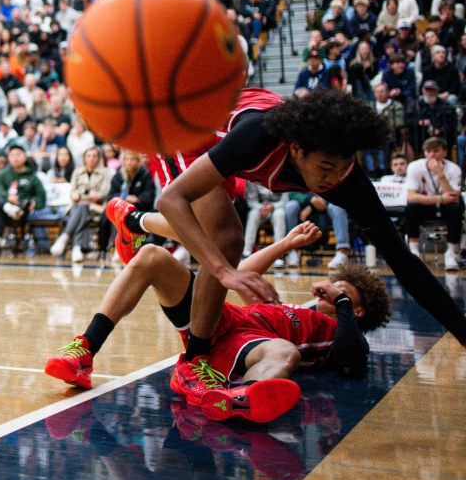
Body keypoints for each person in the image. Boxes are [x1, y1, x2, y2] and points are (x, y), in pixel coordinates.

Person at [117, 88, 466, 414]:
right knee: (226, 241)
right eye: (327, 168)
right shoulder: (258, 137)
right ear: (297, 149)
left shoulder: (345, 176)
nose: (335, 177)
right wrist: (225, 271)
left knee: (223, 238)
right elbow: (171, 198)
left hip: (228, 140)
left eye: (345, 166)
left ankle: (134, 223)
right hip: (189, 128)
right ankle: (193, 363)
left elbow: (404, 262)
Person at [46, 221, 390, 422]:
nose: (329, 288)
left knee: (285, 351)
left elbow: (353, 358)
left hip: (245, 346)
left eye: (341, 289)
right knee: (152, 255)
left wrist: (341, 300)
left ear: (355, 310)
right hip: (218, 320)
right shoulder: (294, 310)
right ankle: (85, 350)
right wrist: (285, 243)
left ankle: (240, 397)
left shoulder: (337, 332)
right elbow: (241, 276)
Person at [404, 136, 462, 271]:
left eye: (436, 151)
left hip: (446, 207)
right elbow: (411, 196)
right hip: (427, 205)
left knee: (456, 208)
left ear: (444, 152)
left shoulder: (454, 169)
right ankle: (413, 251)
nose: (432, 155)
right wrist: (440, 199)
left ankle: (451, 253)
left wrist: (440, 174)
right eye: (428, 151)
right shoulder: (414, 166)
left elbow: (454, 197)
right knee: (412, 207)